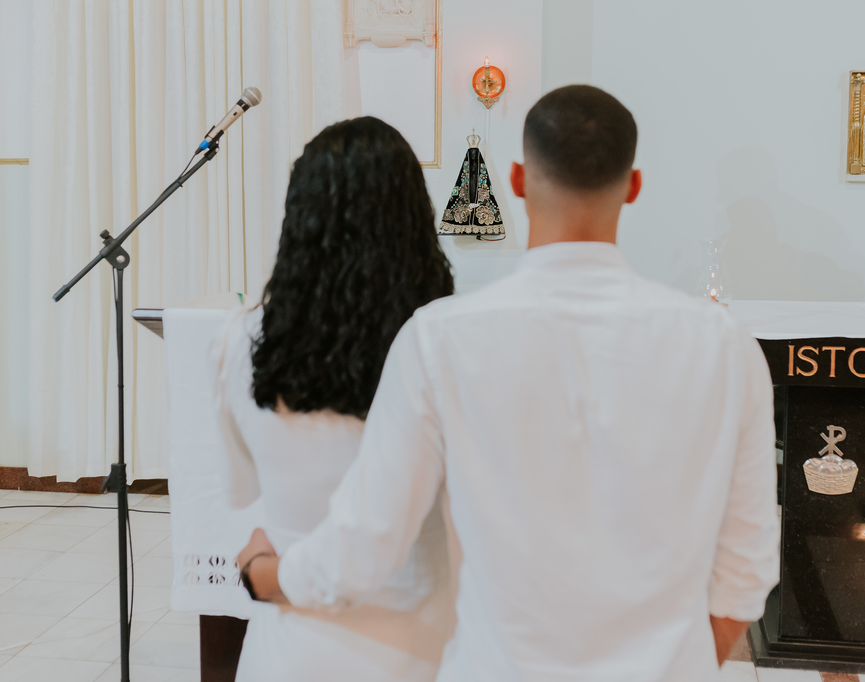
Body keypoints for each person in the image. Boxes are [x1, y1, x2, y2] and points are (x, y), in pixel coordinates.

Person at [238, 84, 780, 679]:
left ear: (518, 180)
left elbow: (368, 543)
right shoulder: (725, 347)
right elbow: (746, 574)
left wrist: (266, 573)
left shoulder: (439, 339)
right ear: (633, 186)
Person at [216, 117, 457, 681]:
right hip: (423, 642)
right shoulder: (442, 342)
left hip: (293, 639)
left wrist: (265, 565)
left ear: (298, 218)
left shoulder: (238, 341)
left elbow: (242, 483)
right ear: (414, 220)